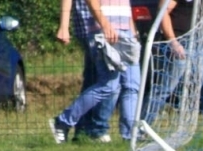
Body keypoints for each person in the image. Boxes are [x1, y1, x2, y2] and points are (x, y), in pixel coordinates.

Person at [51, 0, 140, 143]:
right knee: (109, 85)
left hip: (126, 30)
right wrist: (105, 25)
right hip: (104, 30)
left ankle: (131, 135)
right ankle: (64, 121)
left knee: (132, 85)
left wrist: (132, 31)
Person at [140, 0, 203, 139]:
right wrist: (173, 42)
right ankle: (141, 128)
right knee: (165, 89)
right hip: (181, 43)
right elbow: (163, 13)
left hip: (199, 43)